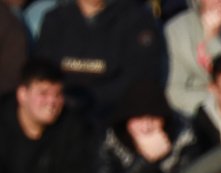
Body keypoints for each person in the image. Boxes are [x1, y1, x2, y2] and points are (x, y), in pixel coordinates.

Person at [35, 0, 163, 130]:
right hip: (62, 116)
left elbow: (141, 78)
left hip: (114, 118)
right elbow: (42, 72)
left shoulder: (136, 19)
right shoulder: (55, 19)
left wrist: (92, 98)